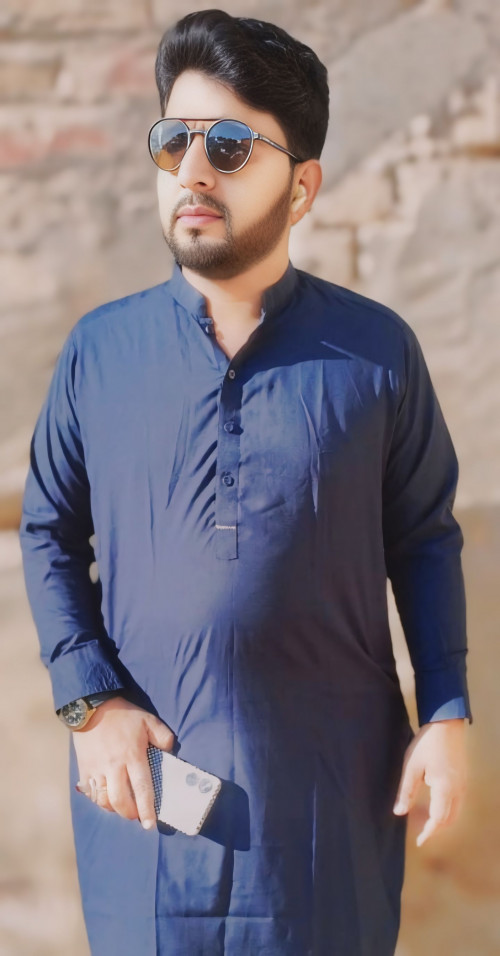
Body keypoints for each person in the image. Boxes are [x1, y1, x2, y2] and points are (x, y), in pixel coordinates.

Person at [19, 9, 472, 956]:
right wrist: (89, 703)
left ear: (302, 187)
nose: (192, 170)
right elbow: (49, 529)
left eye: (228, 145)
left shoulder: (375, 354)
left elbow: (424, 537)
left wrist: (444, 712)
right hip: (145, 812)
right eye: (173, 141)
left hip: (324, 818)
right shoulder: (101, 352)